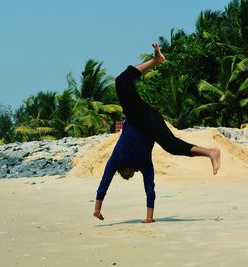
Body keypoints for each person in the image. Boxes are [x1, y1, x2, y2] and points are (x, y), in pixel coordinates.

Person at [93, 43, 221, 223]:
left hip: (139, 116)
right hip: (149, 119)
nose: (130, 175)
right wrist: (148, 218)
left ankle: (156, 60)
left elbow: (105, 183)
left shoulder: (118, 159)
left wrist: (98, 209)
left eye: (127, 175)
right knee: (172, 146)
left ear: (124, 171)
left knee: (121, 82)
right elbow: (148, 188)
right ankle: (210, 152)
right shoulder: (139, 163)